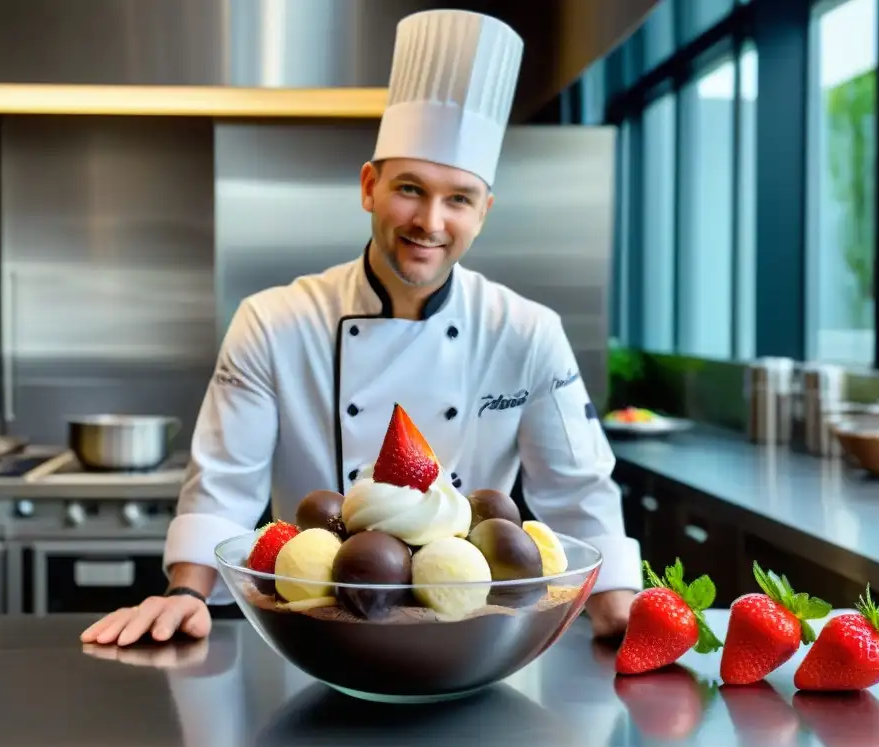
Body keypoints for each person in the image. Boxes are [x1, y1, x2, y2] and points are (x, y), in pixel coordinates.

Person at [81, 8, 641, 649]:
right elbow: (223, 484)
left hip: (474, 640)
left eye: (458, 198)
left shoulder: (528, 331)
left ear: (483, 213)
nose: (430, 220)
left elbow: (579, 491)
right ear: (370, 187)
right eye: (410, 188)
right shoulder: (273, 321)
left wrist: (617, 612)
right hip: (315, 637)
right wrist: (186, 592)